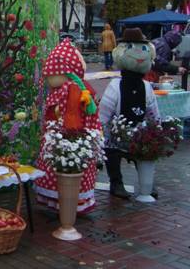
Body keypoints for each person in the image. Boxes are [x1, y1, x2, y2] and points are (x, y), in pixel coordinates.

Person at [34, 39, 102, 214]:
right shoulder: (65, 89)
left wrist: (65, 131)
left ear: (65, 72)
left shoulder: (71, 90)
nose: (49, 80)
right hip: (62, 138)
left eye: (51, 75)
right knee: (57, 167)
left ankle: (69, 205)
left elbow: (71, 116)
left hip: (70, 138)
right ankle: (58, 202)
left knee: (67, 169)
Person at [99, 28, 159, 199]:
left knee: (148, 146)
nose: (139, 54)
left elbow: (153, 113)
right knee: (111, 149)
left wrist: (156, 131)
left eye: (144, 49)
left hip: (138, 131)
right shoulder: (115, 86)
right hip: (116, 135)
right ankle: (116, 181)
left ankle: (146, 181)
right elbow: (104, 115)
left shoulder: (147, 87)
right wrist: (102, 133)